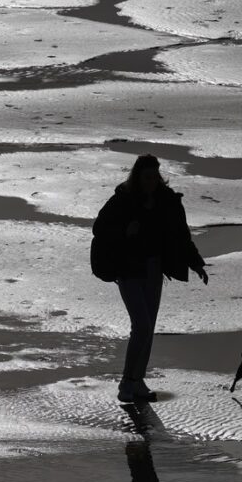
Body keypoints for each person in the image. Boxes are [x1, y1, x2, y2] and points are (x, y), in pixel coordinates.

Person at [93, 154, 208, 402]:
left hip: (154, 270)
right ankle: (127, 383)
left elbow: (181, 235)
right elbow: (99, 228)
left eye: (155, 176)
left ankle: (138, 381)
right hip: (128, 269)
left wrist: (196, 262)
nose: (152, 181)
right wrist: (124, 231)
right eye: (147, 177)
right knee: (142, 325)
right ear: (137, 177)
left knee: (148, 328)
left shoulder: (167, 201)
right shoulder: (122, 200)